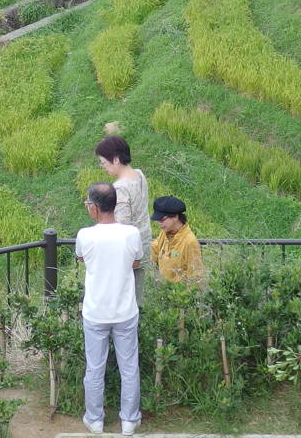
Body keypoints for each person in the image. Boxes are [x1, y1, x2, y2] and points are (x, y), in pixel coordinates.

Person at [76, 182, 143, 436]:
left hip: (95, 312)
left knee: (95, 367)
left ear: (93, 207)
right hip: (125, 310)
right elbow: (136, 261)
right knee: (129, 367)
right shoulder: (131, 233)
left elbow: (82, 259)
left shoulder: (85, 235)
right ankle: (129, 420)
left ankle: (94, 420)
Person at [96, 135, 150, 307]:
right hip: (144, 247)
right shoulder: (139, 175)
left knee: (123, 305)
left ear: (116, 160)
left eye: (104, 163)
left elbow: (121, 227)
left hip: (127, 256)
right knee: (137, 301)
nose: (103, 167)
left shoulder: (120, 188)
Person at [150, 196, 203, 284]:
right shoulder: (164, 233)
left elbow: (195, 277)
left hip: (179, 295)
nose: (159, 223)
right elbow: (153, 251)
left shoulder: (190, 242)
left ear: (175, 217)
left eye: (162, 219)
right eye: (157, 220)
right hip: (164, 291)